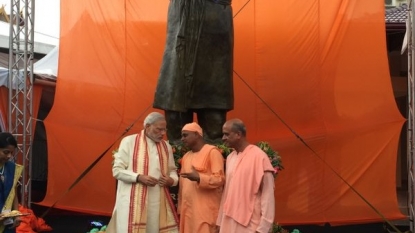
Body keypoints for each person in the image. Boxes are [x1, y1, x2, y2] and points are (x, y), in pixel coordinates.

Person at [153, 0, 234, 145]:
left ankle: (214, 154)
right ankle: (178, 153)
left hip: (214, 15)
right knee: (176, 98)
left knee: (213, 104)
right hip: (183, 14)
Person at [107, 112, 179, 233]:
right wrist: (138, 177)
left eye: (164, 130)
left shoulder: (166, 147)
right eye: (159, 129)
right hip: (131, 202)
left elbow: (172, 170)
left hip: (156, 202)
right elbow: (117, 170)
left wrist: (171, 180)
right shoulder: (129, 142)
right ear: (147, 126)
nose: (163, 133)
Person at [217, 119, 275, 233]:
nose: (223, 138)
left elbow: (268, 195)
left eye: (226, 134)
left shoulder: (259, 157)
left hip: (249, 223)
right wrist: (220, 221)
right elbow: (227, 192)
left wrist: (263, 228)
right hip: (228, 220)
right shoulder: (230, 158)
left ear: (238, 134)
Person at [178, 122, 225, 233]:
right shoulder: (186, 156)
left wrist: (200, 178)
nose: (182, 139)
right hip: (188, 213)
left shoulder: (212, 152)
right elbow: (182, 186)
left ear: (196, 134)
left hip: (205, 213)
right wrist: (180, 209)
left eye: (185, 135)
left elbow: (220, 179)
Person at [0, 132, 23, 233]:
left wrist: (16, 214)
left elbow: (13, 193)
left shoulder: (12, 167)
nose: (9, 156)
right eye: (6, 152)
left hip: (7, 221)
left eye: (11, 153)